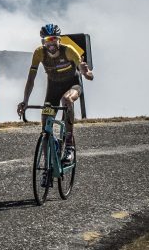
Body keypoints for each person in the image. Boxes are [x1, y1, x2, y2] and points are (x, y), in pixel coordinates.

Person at [17, 23, 94, 157]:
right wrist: (25, 101)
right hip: (53, 88)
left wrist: (86, 72)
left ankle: (69, 144)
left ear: (59, 39)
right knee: (45, 128)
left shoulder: (69, 50)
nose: (51, 43)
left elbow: (89, 76)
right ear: (43, 42)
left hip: (72, 85)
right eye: (47, 40)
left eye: (53, 39)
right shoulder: (39, 53)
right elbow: (31, 80)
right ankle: (47, 169)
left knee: (67, 99)